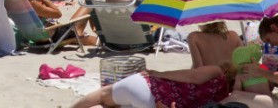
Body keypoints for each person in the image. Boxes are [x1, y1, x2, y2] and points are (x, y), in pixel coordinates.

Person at [71, 64, 235, 108]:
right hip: (157, 104)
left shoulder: (218, 72)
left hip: (148, 86)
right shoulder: (224, 100)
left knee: (103, 96)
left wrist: (158, 73)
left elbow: (194, 76)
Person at [12, 0, 96, 48]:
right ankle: (98, 34)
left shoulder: (12, 3)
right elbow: (58, 14)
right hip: (51, 37)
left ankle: (91, 34)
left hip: (36, 37)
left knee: (77, 32)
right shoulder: (32, 4)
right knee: (88, 5)